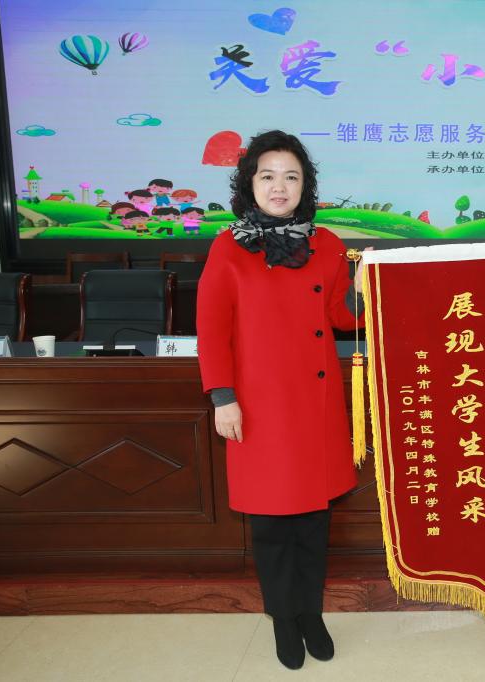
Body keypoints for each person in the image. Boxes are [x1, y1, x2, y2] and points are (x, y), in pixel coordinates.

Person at [197, 130, 365, 671]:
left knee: (313, 522)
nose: (279, 186)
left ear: (304, 186)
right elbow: (211, 329)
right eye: (267, 175)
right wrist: (223, 398)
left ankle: (311, 614)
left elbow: (342, 317)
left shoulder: (328, 244)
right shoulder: (228, 247)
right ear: (249, 183)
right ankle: (283, 619)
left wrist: (369, 291)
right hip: (258, 405)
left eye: (291, 176)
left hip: (314, 401)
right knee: (271, 526)